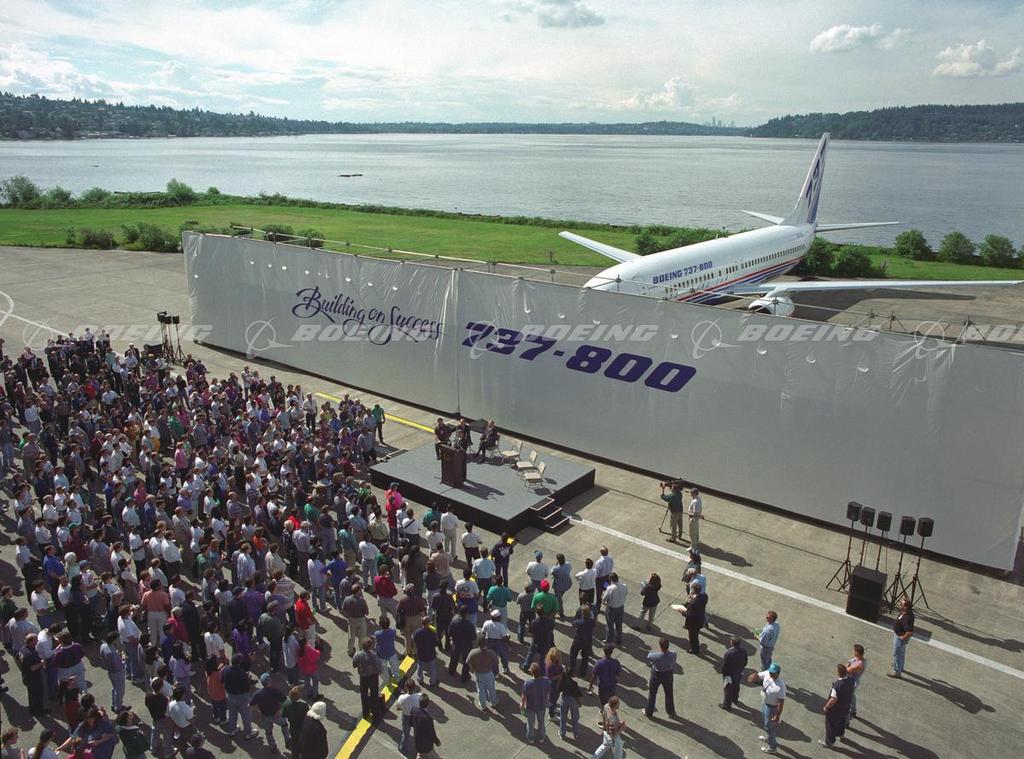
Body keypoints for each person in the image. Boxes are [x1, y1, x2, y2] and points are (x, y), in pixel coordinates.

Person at [748, 661, 786, 755]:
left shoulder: (781, 686)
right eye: (770, 672)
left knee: (769, 727)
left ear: (778, 673)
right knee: (766, 724)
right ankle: (769, 738)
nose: (770, 674)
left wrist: (777, 715)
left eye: (773, 673)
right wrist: (753, 676)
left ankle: (772, 747)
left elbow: (781, 702)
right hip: (765, 704)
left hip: (772, 708)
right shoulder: (767, 673)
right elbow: (758, 675)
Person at [222, 654, 259, 739]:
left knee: (232, 713)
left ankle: (232, 730)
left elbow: (222, 680)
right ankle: (248, 732)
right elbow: (247, 688)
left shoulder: (226, 670)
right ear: (239, 663)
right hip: (242, 697)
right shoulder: (242, 674)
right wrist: (248, 680)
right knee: (245, 714)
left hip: (230, 695)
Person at [250, 672, 289, 752]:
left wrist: (259, 711)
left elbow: (250, 705)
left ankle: (273, 747)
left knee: (268, 732)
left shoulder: (257, 693)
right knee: (284, 725)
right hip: (277, 715)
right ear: (269, 682)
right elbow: (285, 701)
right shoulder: (275, 691)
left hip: (265, 716)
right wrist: (279, 710)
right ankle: (287, 741)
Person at [820, 663, 855, 748]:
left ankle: (829, 742)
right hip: (845, 707)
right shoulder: (851, 681)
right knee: (841, 722)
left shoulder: (837, 685)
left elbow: (833, 699)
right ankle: (840, 734)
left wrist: (826, 707)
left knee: (830, 725)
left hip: (835, 710)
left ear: (838, 673)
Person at [644, 637, 677, 718]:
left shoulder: (655, 656)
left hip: (657, 675)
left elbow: (648, 657)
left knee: (652, 693)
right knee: (669, 693)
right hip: (668, 674)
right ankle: (670, 711)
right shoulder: (673, 654)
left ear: (660, 646)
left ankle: (649, 712)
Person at [353, 637, 383, 723]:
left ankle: (365, 713)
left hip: (363, 677)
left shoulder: (358, 655)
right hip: (373, 677)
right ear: (370, 646)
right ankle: (375, 714)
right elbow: (379, 667)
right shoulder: (374, 656)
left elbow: (354, 664)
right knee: (374, 695)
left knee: (364, 695)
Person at [520, 662, 550, 744]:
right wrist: (546, 701)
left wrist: (522, 706)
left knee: (530, 723)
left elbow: (524, 697)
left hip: (531, 707)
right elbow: (548, 692)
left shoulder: (527, 683)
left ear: (531, 672)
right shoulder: (545, 680)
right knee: (541, 722)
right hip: (541, 706)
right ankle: (542, 737)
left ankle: (531, 738)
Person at [466, 636, 499, 711]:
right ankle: (493, 702)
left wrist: (472, 669)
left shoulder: (473, 652)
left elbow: (468, 662)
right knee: (491, 688)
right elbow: (496, 662)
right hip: (488, 673)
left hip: (478, 673)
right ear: (486, 643)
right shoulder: (491, 652)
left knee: (480, 690)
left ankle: (483, 705)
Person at [677, 581, 707, 655]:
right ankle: (695, 647)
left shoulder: (693, 603)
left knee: (693, 637)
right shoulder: (704, 596)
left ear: (694, 590)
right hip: (700, 618)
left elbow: (690, 615)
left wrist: (682, 612)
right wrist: (691, 600)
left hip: (694, 623)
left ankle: (694, 649)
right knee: (695, 635)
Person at [720, 637, 749, 711]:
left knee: (728, 689)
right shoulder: (743, 651)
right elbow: (745, 662)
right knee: (736, 686)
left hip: (729, 674)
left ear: (732, 643)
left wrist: (723, 672)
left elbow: (725, 665)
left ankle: (727, 705)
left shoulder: (729, 653)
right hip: (738, 673)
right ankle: (735, 699)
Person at [592, 695, 626, 759]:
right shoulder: (613, 719)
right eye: (618, 704)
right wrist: (621, 728)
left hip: (605, 731)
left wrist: (618, 723)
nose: (619, 705)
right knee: (618, 752)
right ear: (615, 705)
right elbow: (613, 735)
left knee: (604, 745)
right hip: (613, 737)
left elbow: (604, 717)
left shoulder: (606, 706)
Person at [888, 599, 914, 679]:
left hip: (900, 638)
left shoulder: (907, 618)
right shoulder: (905, 613)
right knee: (901, 653)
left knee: (897, 653)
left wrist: (903, 638)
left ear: (906, 607)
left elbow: (909, 632)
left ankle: (897, 672)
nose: (900, 605)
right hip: (899, 635)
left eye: (901, 604)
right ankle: (900, 667)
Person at [569, 604, 596, 677]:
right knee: (585, 657)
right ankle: (583, 672)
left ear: (582, 613)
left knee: (573, 654)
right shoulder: (592, 621)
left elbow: (573, 624)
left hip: (578, 640)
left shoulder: (579, 622)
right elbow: (594, 625)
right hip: (587, 641)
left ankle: (571, 670)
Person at [413, 616, 440, 687]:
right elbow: (436, 643)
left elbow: (415, 642)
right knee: (432, 669)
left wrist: (415, 651)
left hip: (421, 654)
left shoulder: (417, 632)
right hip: (431, 654)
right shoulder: (432, 633)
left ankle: (420, 680)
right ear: (428, 624)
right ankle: (432, 682)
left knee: (420, 668)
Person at [601, 573, 627, 647]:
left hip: (611, 609)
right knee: (619, 625)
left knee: (610, 625)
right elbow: (625, 594)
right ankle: (619, 639)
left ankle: (609, 640)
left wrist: (604, 601)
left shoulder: (610, 588)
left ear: (610, 579)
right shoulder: (624, 586)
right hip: (621, 608)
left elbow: (604, 599)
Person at [559, 672, 583, 741]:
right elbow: (577, 695)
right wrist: (579, 702)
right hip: (573, 701)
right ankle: (576, 734)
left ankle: (562, 733)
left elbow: (559, 689)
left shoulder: (562, 681)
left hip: (564, 699)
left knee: (563, 718)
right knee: (575, 718)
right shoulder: (574, 683)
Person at [846, 644, 866, 724]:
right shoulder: (858, 658)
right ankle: (853, 711)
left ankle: (847, 721)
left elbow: (848, 670)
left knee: (847, 701)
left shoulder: (860, 664)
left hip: (851, 683)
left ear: (857, 653)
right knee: (852, 696)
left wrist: (846, 667)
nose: (853, 653)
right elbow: (850, 662)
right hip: (851, 681)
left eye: (855, 651)